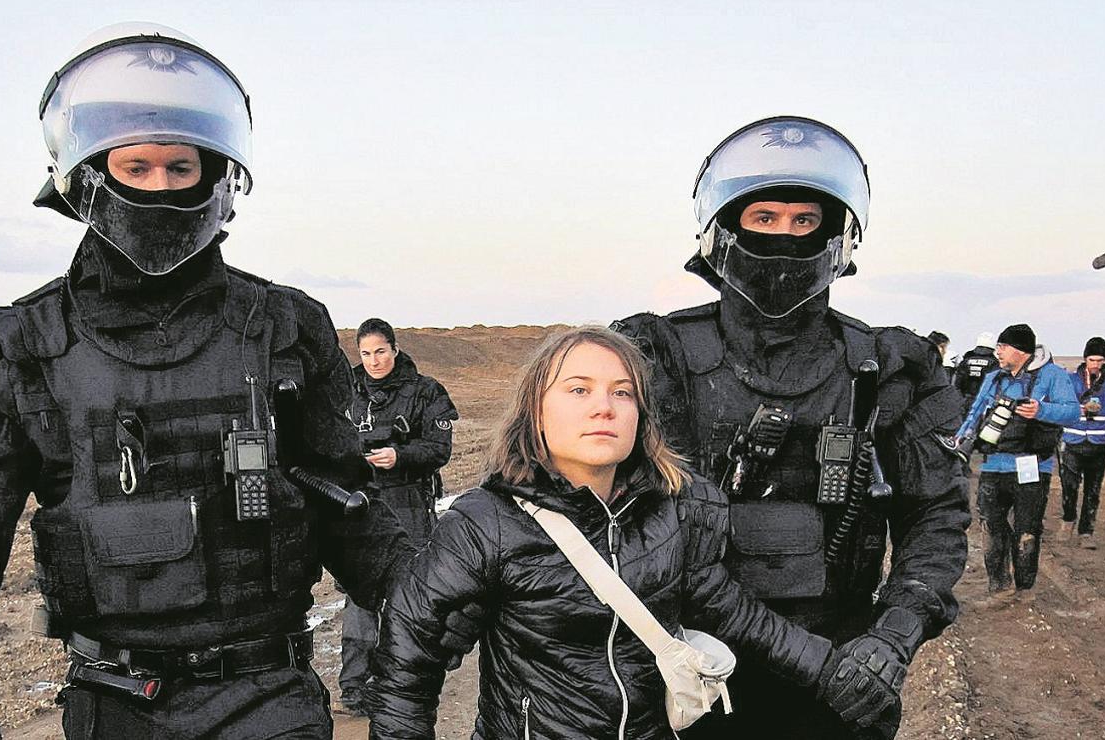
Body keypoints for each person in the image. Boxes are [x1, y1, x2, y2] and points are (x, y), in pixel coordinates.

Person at [0, 23, 434, 739]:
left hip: (269, 695)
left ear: (216, 174)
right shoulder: (13, 345)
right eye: (137, 167)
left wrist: (448, 599)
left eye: (179, 167)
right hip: (113, 699)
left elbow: (345, 509)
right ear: (89, 175)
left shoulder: (288, 325)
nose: (160, 188)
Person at [612, 116, 971, 739]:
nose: (786, 239)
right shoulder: (652, 355)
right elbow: (571, 495)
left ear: (837, 236)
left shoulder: (887, 366)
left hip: (841, 670)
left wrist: (893, 637)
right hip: (685, 669)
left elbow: (936, 514)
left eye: (805, 221)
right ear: (726, 228)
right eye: (765, 219)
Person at [367, 327, 906, 739]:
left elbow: (733, 612)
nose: (604, 406)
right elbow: (409, 655)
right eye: (579, 389)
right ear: (536, 409)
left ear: (640, 414)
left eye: (622, 393)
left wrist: (833, 671)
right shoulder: (486, 523)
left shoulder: (673, 511)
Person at [337, 318, 458, 715]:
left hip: (409, 503)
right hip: (360, 506)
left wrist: (399, 456)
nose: (373, 361)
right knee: (359, 596)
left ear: (395, 348)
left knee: (408, 595)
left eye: (380, 351)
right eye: (366, 353)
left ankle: (405, 681)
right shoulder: (344, 392)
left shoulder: (424, 392)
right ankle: (355, 686)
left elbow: (439, 448)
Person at [956, 324, 1079, 604]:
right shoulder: (993, 377)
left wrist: (1042, 410)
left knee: (1027, 529)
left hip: (1032, 466)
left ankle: (1024, 589)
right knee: (991, 527)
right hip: (993, 465)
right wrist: (961, 437)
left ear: (1021, 351)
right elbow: (976, 411)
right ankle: (999, 587)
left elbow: (1072, 412)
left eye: (1003, 346)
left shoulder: (1053, 375)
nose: (997, 352)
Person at [1059, 337, 1105, 545]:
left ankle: (1086, 533)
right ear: (1085, 358)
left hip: (1101, 443)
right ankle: (1067, 521)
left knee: (1093, 490)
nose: (1096, 364)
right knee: (1069, 487)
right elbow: (1058, 407)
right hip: (1073, 441)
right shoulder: (1070, 380)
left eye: (1099, 360)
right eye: (1092, 359)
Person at [954, 332, 999, 417]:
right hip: (983, 404)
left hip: (964, 402)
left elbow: (957, 384)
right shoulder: (994, 363)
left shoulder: (965, 361)